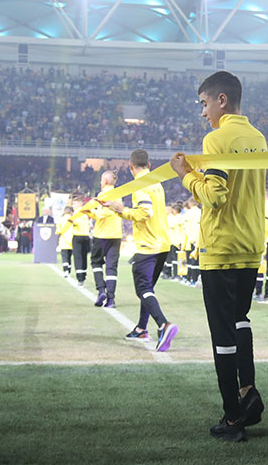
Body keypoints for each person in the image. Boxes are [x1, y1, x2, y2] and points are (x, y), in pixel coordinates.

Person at [170, 70, 267, 442]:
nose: (203, 112)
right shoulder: (257, 138)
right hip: (251, 243)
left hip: (221, 246)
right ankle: (248, 392)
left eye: (204, 103)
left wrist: (186, 174)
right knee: (241, 320)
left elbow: (214, 194)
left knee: (222, 333)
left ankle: (232, 417)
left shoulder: (217, 138)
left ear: (221, 100)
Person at [104, 148, 178, 352]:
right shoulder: (157, 182)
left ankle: (163, 325)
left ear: (130, 167)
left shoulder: (139, 185)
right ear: (150, 165)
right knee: (148, 290)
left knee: (143, 289)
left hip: (148, 245)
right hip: (163, 243)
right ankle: (141, 328)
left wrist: (122, 211)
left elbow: (145, 212)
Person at [83, 171, 124, 307]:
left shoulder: (104, 195)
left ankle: (101, 290)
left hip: (101, 235)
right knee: (111, 267)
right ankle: (111, 299)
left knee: (96, 262)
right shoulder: (119, 194)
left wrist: (89, 211)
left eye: (101, 180)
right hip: (116, 235)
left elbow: (102, 214)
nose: (100, 183)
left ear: (105, 181)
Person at [56, 206, 75, 278]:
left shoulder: (61, 219)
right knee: (69, 256)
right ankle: (69, 270)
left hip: (64, 240)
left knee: (65, 256)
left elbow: (58, 231)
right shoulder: (73, 219)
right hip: (72, 239)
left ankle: (66, 270)